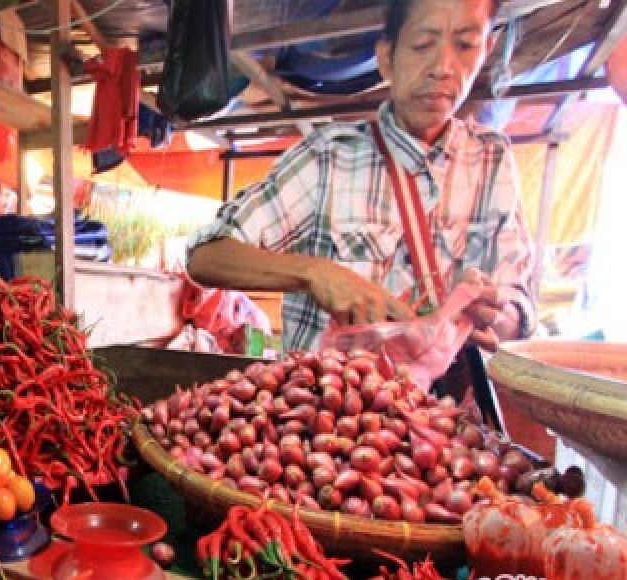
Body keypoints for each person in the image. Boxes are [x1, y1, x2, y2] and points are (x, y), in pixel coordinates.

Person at [187, 0, 535, 355]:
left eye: (464, 44)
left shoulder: (493, 160)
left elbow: (519, 311)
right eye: (422, 45)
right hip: (324, 405)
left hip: (447, 409)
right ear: (386, 58)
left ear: (487, 50)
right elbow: (205, 255)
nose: (443, 67)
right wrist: (314, 273)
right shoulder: (327, 157)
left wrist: (493, 314)